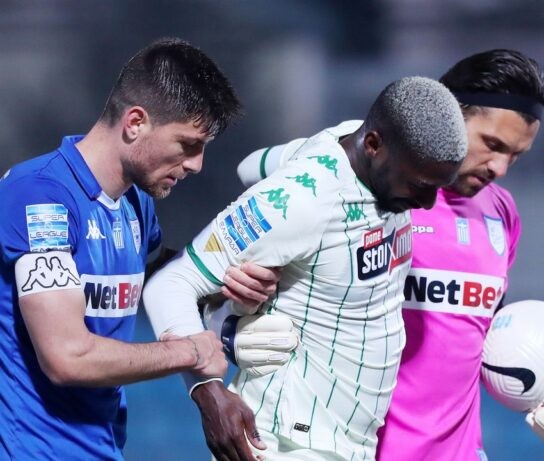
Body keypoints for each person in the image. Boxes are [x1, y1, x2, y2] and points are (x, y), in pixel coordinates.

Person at [232, 50, 544, 460]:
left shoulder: (502, 212)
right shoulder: (364, 186)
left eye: (515, 155)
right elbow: (250, 170)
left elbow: (474, 339)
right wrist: (229, 329)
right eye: (492, 144)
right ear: (449, 115)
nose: (500, 168)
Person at [142, 76, 468, 460]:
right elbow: (170, 284)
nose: (428, 203)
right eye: (420, 185)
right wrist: (208, 391)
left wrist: (270, 259)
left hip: (347, 444)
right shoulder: (305, 199)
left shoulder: (352, 139)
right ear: (373, 145)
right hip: (286, 443)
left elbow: (251, 167)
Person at [0, 38, 271, 460]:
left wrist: (227, 285)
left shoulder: (135, 201)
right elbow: (66, 357)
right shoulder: (40, 198)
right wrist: (192, 351)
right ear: (135, 123)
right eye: (187, 144)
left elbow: (158, 273)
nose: (196, 164)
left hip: (103, 448)